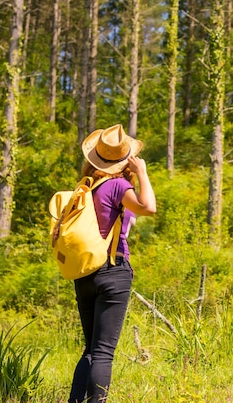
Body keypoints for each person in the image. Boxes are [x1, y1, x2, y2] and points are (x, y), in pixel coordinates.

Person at [68, 124, 156, 403]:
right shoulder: (118, 185)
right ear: (124, 159)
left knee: (90, 350)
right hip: (113, 270)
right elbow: (148, 207)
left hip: (84, 272)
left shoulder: (87, 187)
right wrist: (142, 173)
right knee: (104, 351)